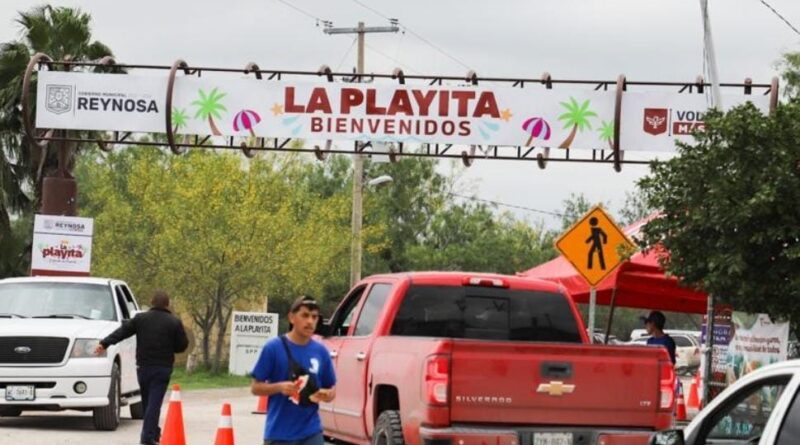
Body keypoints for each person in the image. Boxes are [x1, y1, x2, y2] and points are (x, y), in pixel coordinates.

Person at [95, 290, 189, 445]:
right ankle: (147, 437)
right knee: (154, 403)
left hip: (143, 368)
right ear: (167, 304)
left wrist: (104, 343)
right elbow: (182, 346)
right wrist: (170, 345)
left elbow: (122, 332)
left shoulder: (140, 319)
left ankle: (152, 433)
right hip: (162, 369)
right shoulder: (174, 322)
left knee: (148, 402)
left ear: (152, 302)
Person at [251, 296, 336, 445]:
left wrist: (326, 395)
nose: (310, 321)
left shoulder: (321, 351)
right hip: (280, 434)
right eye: (304, 315)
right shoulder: (273, 348)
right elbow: (255, 388)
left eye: (314, 317)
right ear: (291, 317)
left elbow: (331, 390)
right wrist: (279, 387)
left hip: (311, 432)